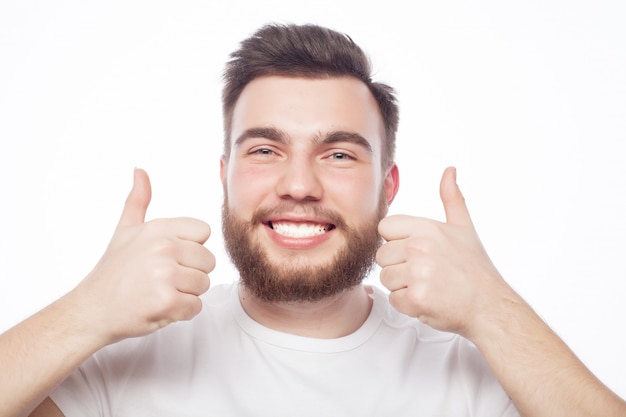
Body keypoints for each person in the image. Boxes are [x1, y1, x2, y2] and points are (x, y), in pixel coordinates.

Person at [1, 23, 625, 417]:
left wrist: (494, 311)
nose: (299, 185)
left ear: (388, 188)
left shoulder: (473, 374)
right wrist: (83, 313)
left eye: (339, 154)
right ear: (225, 175)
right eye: (266, 150)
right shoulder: (124, 360)